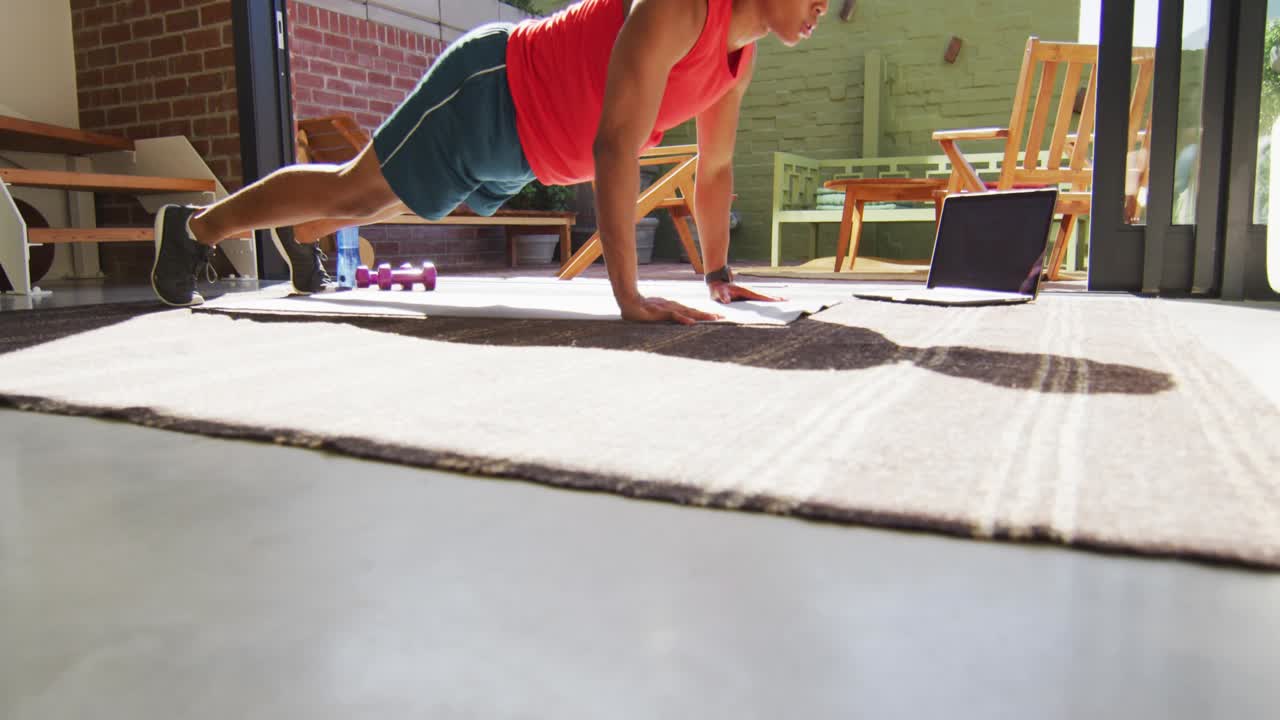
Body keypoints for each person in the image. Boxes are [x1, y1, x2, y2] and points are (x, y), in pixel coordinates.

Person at [151, 0, 829, 324]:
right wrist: (627, 295)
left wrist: (719, 274)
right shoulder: (681, 9)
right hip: (494, 90)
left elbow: (714, 169)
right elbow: (615, 143)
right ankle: (193, 229)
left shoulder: (739, 63)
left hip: (527, 150)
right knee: (358, 192)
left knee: (400, 200)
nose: (824, 6)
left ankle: (302, 236)